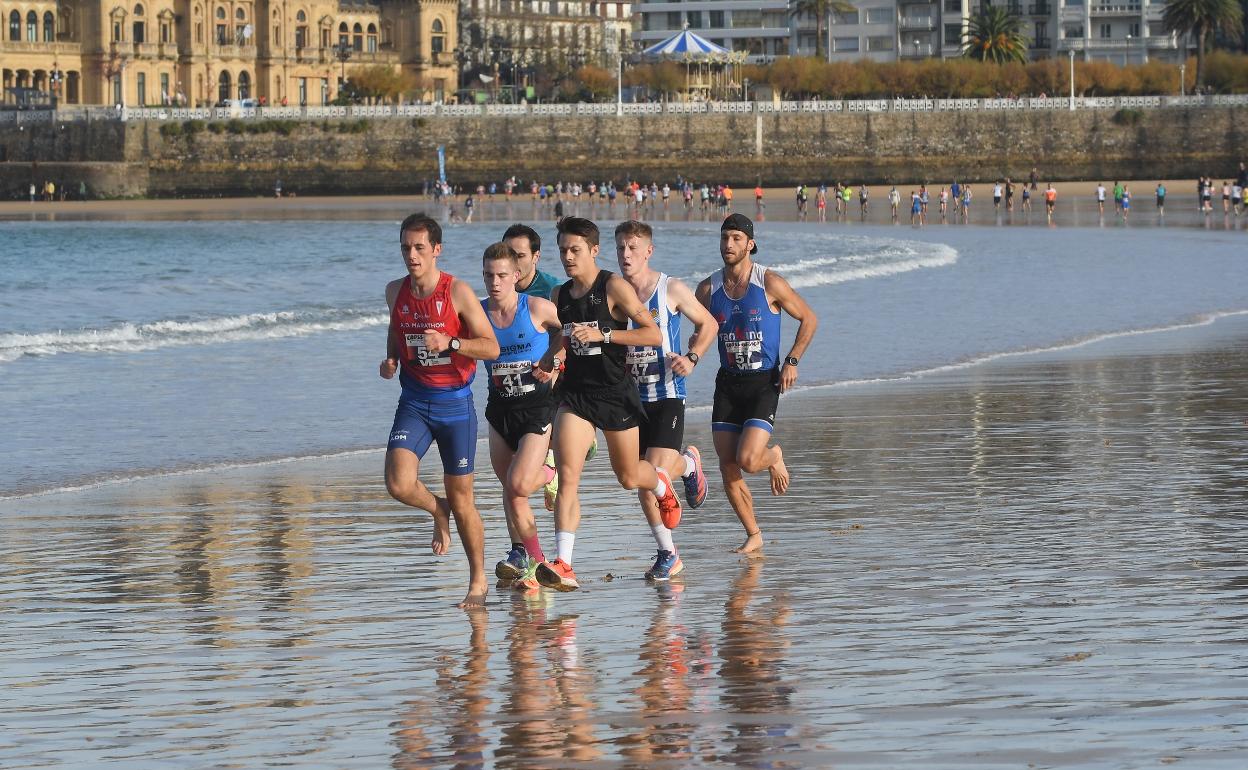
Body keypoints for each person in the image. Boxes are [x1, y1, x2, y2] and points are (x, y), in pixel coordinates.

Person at [535, 217, 683, 592]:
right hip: (575, 395)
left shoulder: (613, 286)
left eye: (575, 250)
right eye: (563, 250)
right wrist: (551, 356)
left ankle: (662, 483)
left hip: (615, 393)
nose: (568, 257)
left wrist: (604, 332)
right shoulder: (560, 296)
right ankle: (564, 563)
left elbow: (652, 333)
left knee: (629, 477)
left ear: (593, 250)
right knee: (568, 476)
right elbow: (565, 338)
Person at [380, 213, 501, 608]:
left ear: (436, 250)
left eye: (419, 248)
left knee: (464, 498)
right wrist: (391, 359)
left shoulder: (457, 292)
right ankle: (439, 509)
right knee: (398, 483)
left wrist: (451, 344)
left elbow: (490, 347)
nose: (411, 256)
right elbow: (396, 328)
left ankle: (477, 580)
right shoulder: (394, 291)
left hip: (454, 406)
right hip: (414, 402)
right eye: (405, 248)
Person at [696, 214, 818, 554]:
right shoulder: (708, 289)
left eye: (736, 238)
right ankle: (754, 534)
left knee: (750, 460)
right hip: (727, 384)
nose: (728, 245)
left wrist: (792, 360)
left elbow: (809, 318)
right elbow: (699, 332)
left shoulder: (770, 283)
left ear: (750, 243)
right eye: (724, 238)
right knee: (728, 465)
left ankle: (774, 454)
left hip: (763, 382)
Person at [615, 220, 716, 580]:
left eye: (632, 248)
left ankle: (688, 464)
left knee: (654, 474)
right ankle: (668, 553)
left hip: (667, 394)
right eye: (621, 249)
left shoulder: (669, 288)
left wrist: (691, 358)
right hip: (631, 400)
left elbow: (709, 325)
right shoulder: (615, 293)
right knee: (643, 482)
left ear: (648, 251)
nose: (626, 255)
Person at [479, 242, 564, 591]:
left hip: (536, 409)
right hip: (500, 410)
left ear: (516, 275)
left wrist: (556, 363)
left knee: (517, 484)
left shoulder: (538, 307)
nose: (494, 282)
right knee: (511, 490)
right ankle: (525, 558)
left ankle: (549, 473)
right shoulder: (477, 312)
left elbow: (568, 333)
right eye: (488, 275)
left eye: (501, 275)